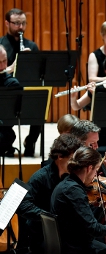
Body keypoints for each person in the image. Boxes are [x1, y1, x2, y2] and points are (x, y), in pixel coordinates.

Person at [0, 8, 41, 157]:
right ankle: (7, 145)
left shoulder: (32, 46)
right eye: (17, 23)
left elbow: (39, 74)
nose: (21, 27)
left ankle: (30, 142)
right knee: (6, 134)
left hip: (26, 92)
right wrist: (13, 66)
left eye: (23, 23)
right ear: (7, 23)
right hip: (6, 95)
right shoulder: (1, 45)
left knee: (40, 110)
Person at [0, 44, 21, 157]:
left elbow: (10, 119)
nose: (3, 66)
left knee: (6, 136)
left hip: (3, 129)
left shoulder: (12, 83)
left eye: (5, 61)